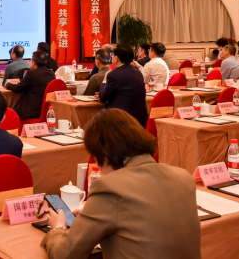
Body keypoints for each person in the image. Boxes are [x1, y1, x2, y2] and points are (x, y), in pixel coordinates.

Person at [41, 108, 201, 259]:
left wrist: (58, 228)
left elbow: (65, 254)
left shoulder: (110, 187)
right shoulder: (183, 177)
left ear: (104, 155)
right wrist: (94, 213)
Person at [97, 44, 148, 128]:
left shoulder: (113, 74)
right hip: (140, 119)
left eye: (112, 55)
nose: (111, 57)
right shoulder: (137, 72)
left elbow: (103, 98)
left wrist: (105, 79)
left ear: (116, 58)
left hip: (121, 119)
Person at [4, 51, 56, 121]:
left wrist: (8, 84)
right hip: (45, 110)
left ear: (33, 62)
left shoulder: (32, 73)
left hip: (31, 111)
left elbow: (18, 88)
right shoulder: (51, 73)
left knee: (7, 111)